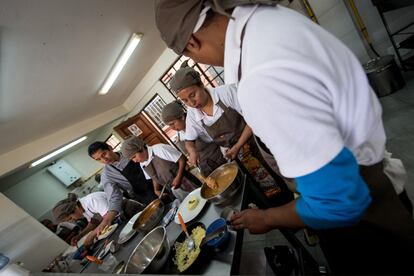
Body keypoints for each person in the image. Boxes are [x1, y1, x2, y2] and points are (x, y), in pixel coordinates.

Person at [154, 0, 414, 274]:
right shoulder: (269, 22)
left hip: (364, 221)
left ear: (192, 43)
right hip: (365, 178)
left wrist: (268, 218)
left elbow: (337, 201)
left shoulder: (258, 76)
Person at [169, 64, 290, 200]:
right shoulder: (192, 114)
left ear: (201, 84)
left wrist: (238, 145)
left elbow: (253, 118)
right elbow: (189, 141)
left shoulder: (227, 93)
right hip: (237, 155)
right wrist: (192, 151)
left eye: (193, 95)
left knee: (280, 177)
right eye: (185, 100)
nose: (191, 103)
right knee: (262, 189)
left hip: (257, 142)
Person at [88, 141, 156, 233]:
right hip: (146, 197)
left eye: (104, 154)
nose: (104, 160)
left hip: (160, 182)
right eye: (98, 159)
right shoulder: (107, 175)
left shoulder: (128, 152)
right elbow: (114, 198)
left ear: (110, 147)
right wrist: (107, 221)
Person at [121, 136, 199, 202]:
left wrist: (178, 177)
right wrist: (156, 190)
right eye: (132, 159)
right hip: (174, 189)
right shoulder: (143, 164)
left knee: (201, 199)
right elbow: (154, 177)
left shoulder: (159, 149)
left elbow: (181, 158)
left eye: (134, 156)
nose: (135, 161)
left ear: (140, 148)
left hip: (186, 180)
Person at [162, 100, 227, 176]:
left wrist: (225, 152)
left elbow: (218, 138)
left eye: (173, 123)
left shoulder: (197, 123)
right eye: (169, 125)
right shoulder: (179, 134)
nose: (172, 127)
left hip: (219, 160)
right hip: (205, 168)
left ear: (182, 117)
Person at [52, 192, 141, 246]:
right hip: (123, 218)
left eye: (70, 218)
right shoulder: (83, 209)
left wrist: (91, 235)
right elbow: (94, 222)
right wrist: (80, 236)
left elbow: (107, 219)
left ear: (74, 209)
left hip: (130, 210)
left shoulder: (91, 200)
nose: (73, 220)